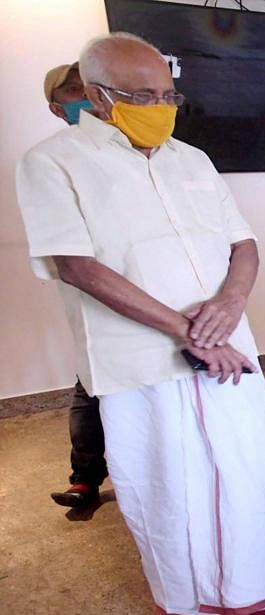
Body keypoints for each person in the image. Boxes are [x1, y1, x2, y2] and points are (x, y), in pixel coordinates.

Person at [16, 33, 265, 615]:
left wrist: (230, 303)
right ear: (95, 95)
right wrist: (188, 331)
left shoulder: (190, 158)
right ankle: (180, 602)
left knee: (246, 471)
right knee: (165, 482)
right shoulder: (51, 162)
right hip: (141, 359)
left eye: (168, 94)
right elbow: (77, 266)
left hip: (228, 344)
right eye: (142, 94)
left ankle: (255, 586)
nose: (159, 106)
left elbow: (242, 243)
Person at [41, 62, 105, 508]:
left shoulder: (135, 150)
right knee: (90, 384)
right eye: (71, 91)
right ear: (55, 107)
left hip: (154, 298)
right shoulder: (49, 164)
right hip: (93, 293)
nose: (83, 96)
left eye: (88, 87)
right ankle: (85, 477)